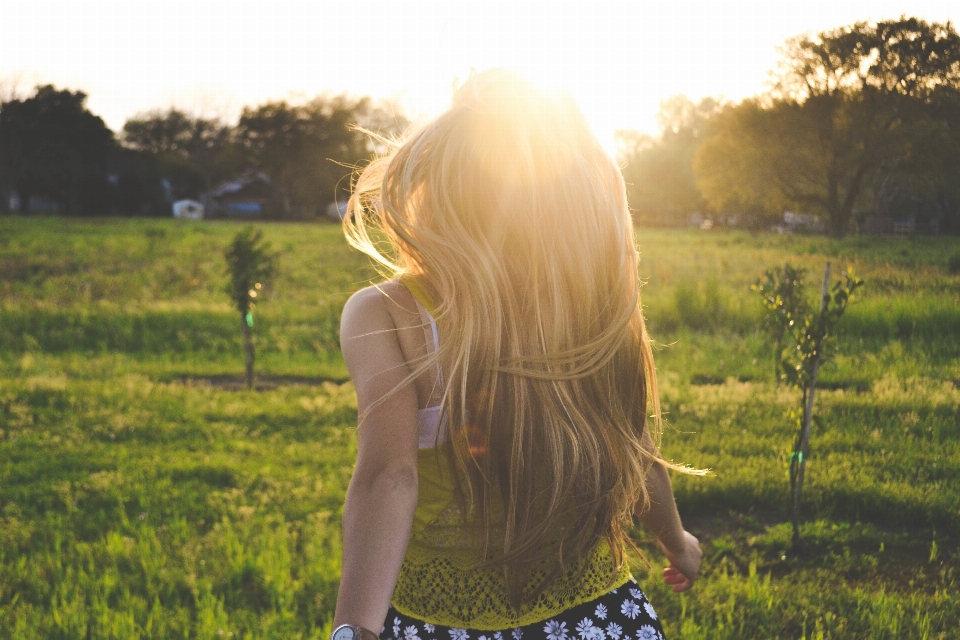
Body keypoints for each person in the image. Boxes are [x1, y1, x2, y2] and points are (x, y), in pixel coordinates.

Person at [333, 69, 702, 640]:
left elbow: (389, 476)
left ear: (437, 185)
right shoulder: (592, 306)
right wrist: (678, 543)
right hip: (596, 618)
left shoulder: (387, 312)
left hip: (443, 624)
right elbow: (633, 443)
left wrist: (354, 628)